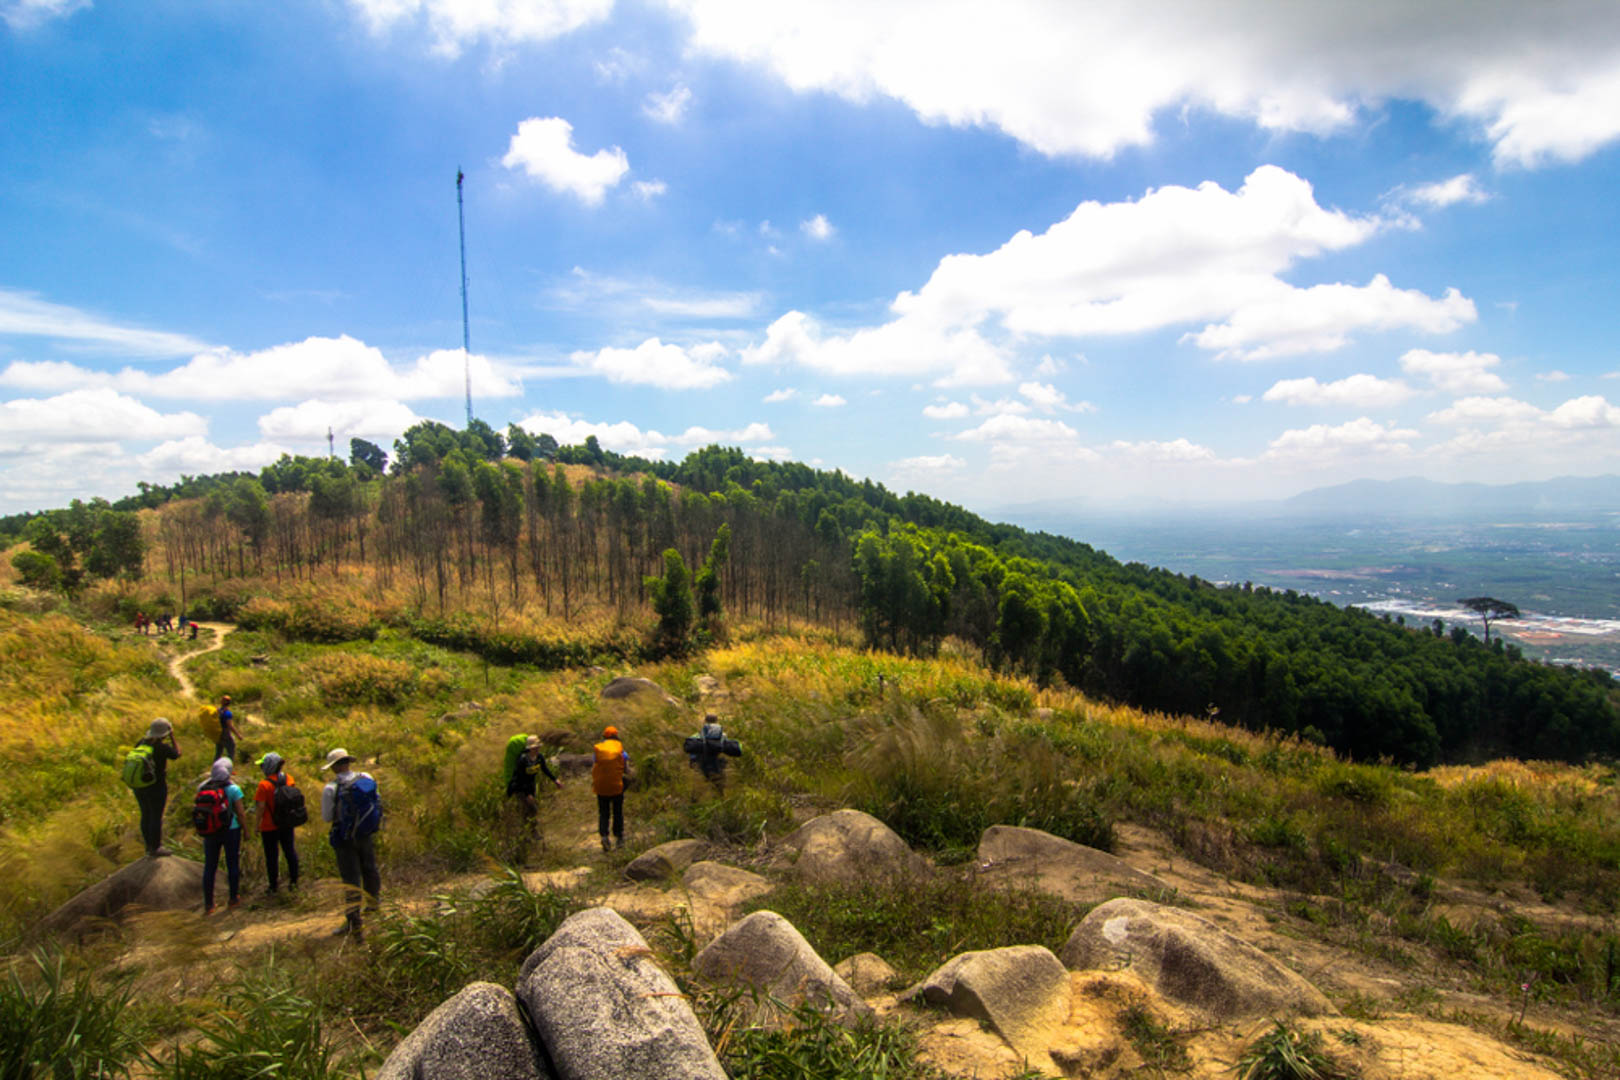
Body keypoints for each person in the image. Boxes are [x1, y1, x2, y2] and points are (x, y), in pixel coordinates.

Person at [321, 747, 381, 941]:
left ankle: (354, 922)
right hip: (365, 833)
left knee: (351, 879)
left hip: (344, 837)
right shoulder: (366, 778)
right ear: (348, 762)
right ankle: (374, 906)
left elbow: (327, 817)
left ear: (334, 767)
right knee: (370, 869)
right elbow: (377, 801)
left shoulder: (331, 788)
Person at [196, 757, 248, 915]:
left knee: (210, 866)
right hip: (231, 830)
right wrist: (246, 830)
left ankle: (209, 904)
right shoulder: (233, 789)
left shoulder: (202, 787)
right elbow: (240, 813)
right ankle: (233, 898)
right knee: (232, 863)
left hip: (210, 832)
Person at [253, 752, 301, 894]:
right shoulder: (289, 779)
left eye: (262, 765)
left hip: (269, 826)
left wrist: (256, 825)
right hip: (287, 822)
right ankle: (294, 882)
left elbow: (261, 807)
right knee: (290, 851)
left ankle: (273, 886)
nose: (262, 768)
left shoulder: (264, 785)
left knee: (271, 857)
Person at [132, 718, 181, 856]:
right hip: (156, 786)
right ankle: (156, 847)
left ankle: (148, 846)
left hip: (139, 785)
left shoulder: (140, 743)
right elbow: (177, 753)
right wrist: (172, 736)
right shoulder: (161, 747)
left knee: (145, 814)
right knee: (155, 816)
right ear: (165, 733)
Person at [591, 726, 629, 852]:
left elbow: (594, 765)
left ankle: (604, 836)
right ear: (616, 736)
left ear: (604, 737)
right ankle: (619, 838)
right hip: (616, 786)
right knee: (617, 812)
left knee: (603, 813)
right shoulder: (621, 750)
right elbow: (625, 768)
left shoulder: (599, 749)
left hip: (601, 786)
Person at [684, 714, 743, 792]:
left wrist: (693, 762)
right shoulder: (723, 735)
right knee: (718, 787)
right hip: (718, 764)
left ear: (705, 721)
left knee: (700, 788)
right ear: (716, 721)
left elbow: (691, 751)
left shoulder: (697, 735)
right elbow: (727, 748)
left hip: (701, 763)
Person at [507, 735, 561, 815]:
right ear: (529, 748)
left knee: (530, 809)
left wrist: (555, 780)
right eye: (534, 748)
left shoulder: (539, 757)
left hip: (531, 785)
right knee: (531, 809)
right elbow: (520, 778)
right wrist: (527, 794)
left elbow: (545, 769)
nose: (536, 749)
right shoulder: (523, 759)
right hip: (520, 787)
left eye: (537, 747)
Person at [215, 695, 237, 762]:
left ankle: (215, 766)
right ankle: (229, 765)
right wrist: (238, 735)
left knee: (218, 752)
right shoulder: (227, 713)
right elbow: (230, 725)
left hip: (218, 734)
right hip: (226, 735)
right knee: (231, 751)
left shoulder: (217, 711)